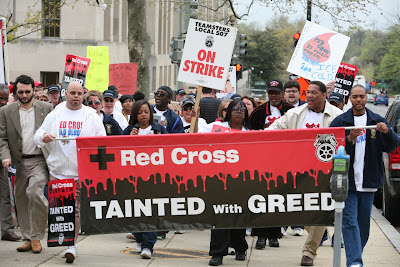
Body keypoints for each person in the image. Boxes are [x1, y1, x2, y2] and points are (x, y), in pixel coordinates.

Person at [267, 80, 343, 266]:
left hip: (325, 174)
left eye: (314, 92)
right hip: (297, 172)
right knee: (294, 210)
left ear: (324, 95)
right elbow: (272, 131)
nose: (309, 96)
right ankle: (320, 231)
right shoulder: (294, 114)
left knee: (320, 211)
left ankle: (309, 252)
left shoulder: (339, 116)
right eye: (307, 92)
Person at [34, 81, 106, 264]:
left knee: (75, 211)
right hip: (58, 172)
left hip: (80, 172)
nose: (76, 96)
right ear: (66, 93)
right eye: (72, 93)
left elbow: (103, 142)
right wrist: (43, 137)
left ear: (83, 95)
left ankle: (71, 245)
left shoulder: (91, 115)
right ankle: (64, 241)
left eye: (79, 93)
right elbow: (38, 134)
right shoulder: (56, 113)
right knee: (60, 211)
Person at [330, 85, 400, 267]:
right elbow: (329, 148)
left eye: (361, 96)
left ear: (366, 97)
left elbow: (392, 146)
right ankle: (354, 262)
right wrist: (349, 140)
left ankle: (354, 257)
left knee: (363, 226)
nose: (359, 100)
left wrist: (387, 132)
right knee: (349, 222)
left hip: (368, 181)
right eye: (355, 96)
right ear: (350, 99)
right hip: (348, 182)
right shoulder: (340, 121)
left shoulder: (377, 120)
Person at [0, 75, 53, 253]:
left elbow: (53, 132)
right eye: (20, 92)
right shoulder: (6, 112)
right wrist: (5, 157)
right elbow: (2, 139)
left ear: (34, 91)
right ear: (15, 92)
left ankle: (37, 237)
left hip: (38, 160)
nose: (24, 95)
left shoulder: (46, 108)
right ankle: (27, 237)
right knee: (21, 200)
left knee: (35, 192)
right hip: (18, 162)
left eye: (27, 91)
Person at [195, 99, 249, 266]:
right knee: (220, 217)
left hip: (241, 182)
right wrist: (194, 119)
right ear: (228, 112)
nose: (239, 111)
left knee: (238, 217)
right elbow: (197, 134)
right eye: (235, 108)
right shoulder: (217, 128)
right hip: (219, 181)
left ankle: (240, 247)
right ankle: (217, 253)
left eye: (242, 109)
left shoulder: (250, 132)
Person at [122, 100, 167, 259]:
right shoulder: (129, 130)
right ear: (135, 114)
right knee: (136, 211)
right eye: (140, 112)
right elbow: (119, 150)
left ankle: (148, 245)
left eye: (146, 112)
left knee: (152, 212)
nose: (143, 115)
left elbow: (169, 150)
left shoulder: (159, 129)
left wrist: (161, 140)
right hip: (134, 179)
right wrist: (128, 138)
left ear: (150, 114)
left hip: (154, 179)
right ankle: (139, 238)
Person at [0, 83, 21, 242]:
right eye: (0, 98)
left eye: (5, 99)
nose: (3, 101)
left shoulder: (6, 113)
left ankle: (7, 230)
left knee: (5, 195)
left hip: (2, 161)